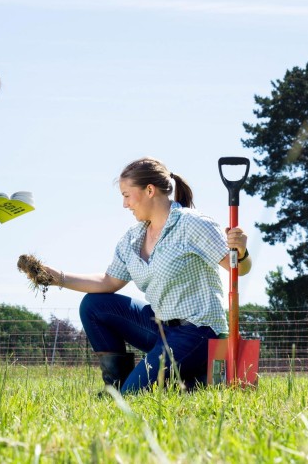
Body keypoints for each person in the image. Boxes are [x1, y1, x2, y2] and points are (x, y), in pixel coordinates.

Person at [34, 157, 251, 393]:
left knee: (133, 395)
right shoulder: (133, 237)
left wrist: (241, 251)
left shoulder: (192, 224)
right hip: (160, 327)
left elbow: (239, 268)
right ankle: (115, 387)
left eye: (127, 195)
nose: (125, 204)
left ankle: (191, 378)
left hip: (197, 332)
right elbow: (109, 282)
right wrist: (59, 278)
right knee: (94, 305)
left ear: (149, 190)